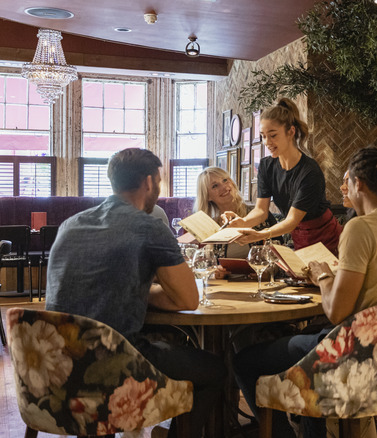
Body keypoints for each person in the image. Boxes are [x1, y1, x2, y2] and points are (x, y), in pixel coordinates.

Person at [233, 147, 377, 437]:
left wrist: (322, 274)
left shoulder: (360, 228)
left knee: (244, 360)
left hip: (352, 356)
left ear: (359, 183)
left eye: (346, 180)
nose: (342, 186)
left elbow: (337, 312)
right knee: (301, 340)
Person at [45, 148, 226, 437]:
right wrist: (146, 291)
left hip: (56, 370)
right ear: (150, 183)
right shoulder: (150, 227)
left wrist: (137, 290)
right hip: (114, 366)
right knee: (216, 370)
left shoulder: (70, 225)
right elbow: (188, 299)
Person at [223, 98, 342, 254]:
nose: (267, 142)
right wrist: (243, 222)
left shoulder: (309, 171)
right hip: (299, 237)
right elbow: (261, 210)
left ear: (291, 132)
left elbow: (292, 220)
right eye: (263, 136)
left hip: (328, 239)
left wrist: (260, 234)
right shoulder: (266, 166)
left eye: (273, 135)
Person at [194, 166, 277, 260]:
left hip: (261, 273)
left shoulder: (259, 213)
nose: (225, 187)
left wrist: (268, 271)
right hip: (228, 275)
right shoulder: (211, 226)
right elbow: (206, 263)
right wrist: (216, 271)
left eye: (225, 180)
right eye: (215, 186)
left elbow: (280, 250)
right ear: (207, 196)